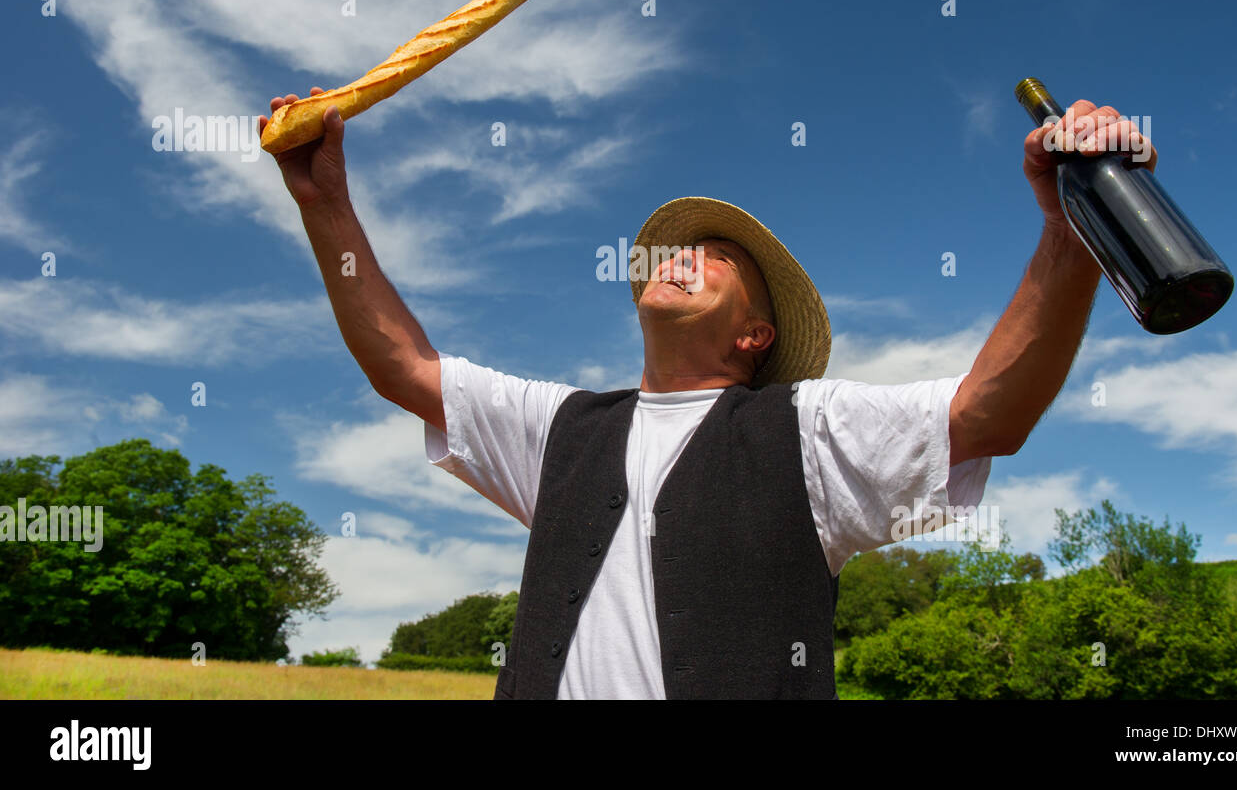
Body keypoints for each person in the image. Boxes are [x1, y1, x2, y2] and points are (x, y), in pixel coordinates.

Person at [260, 89, 1156, 699]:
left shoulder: (806, 431)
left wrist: (1071, 236)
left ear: (754, 336)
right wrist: (324, 203)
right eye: (675, 250)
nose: (681, 257)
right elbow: (405, 369)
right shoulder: (560, 427)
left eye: (716, 260)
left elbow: (986, 414)